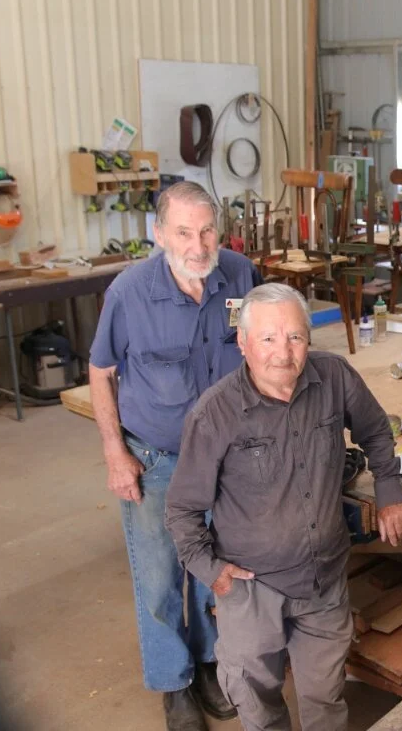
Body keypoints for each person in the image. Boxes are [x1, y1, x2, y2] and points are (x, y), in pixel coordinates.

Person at [165, 283, 402, 731]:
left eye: (295, 337)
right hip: (251, 586)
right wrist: (210, 570)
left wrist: (390, 491)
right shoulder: (215, 414)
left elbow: (377, 432)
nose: (283, 352)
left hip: (324, 577)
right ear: (242, 343)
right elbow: (182, 509)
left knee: (325, 695)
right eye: (267, 338)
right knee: (256, 697)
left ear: (309, 339)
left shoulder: (334, 376)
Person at [88, 181, 260, 731]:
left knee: (216, 570)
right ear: (159, 233)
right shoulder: (129, 292)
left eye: (207, 230)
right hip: (155, 458)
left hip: (226, 461)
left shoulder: (239, 275)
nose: (197, 244)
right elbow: (100, 371)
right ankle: (174, 682)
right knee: (160, 576)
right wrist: (115, 452)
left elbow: (261, 352)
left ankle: (210, 664)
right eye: (183, 232)